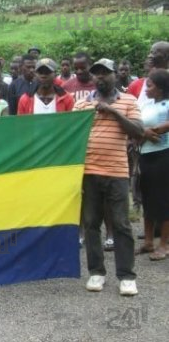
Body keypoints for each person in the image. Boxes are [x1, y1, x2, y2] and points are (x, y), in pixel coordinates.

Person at [74, 59, 143, 296]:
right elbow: (70, 135)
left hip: (116, 172)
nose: (100, 77)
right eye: (96, 74)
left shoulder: (128, 101)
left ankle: (126, 276)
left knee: (121, 224)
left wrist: (113, 112)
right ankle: (96, 272)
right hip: (88, 172)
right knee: (92, 224)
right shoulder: (82, 103)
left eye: (105, 73)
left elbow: (138, 131)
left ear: (115, 75)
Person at [136, 69, 169, 260]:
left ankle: (164, 244)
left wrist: (149, 131)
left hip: (163, 155)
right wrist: (143, 133)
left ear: (161, 88)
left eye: (150, 85)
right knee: (146, 197)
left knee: (163, 199)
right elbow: (137, 127)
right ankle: (148, 242)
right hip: (145, 155)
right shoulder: (146, 106)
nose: (146, 89)